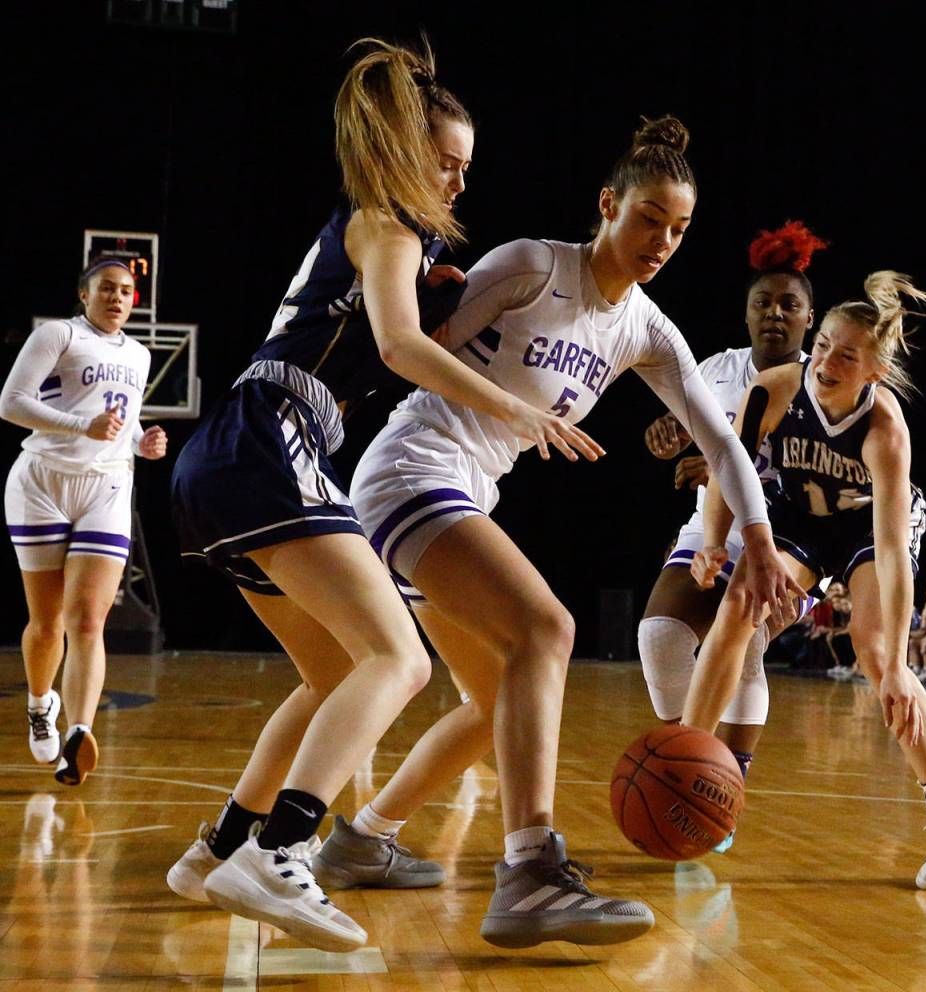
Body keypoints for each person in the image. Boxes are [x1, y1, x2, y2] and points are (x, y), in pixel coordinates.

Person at [317, 114, 801, 949]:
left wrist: (757, 539)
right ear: (608, 205)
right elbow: (415, 343)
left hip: (464, 492)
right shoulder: (536, 264)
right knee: (548, 629)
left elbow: (722, 438)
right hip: (414, 468)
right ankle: (531, 869)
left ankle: (364, 838)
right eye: (649, 217)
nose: (662, 240)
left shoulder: (644, 328)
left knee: (495, 701)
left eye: (679, 229)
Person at [165, 38, 598, 953]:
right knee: (399, 660)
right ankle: (282, 852)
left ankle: (221, 848)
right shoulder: (386, 221)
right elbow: (402, 348)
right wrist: (518, 408)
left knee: (332, 673)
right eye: (445, 161)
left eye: (467, 168)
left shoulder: (388, 240)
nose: (458, 181)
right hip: (269, 439)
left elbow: (385, 326)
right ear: (402, 150)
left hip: (238, 453)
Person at [683, 271, 926, 891]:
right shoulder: (771, 389)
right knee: (739, 605)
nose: (825, 359)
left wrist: (901, 661)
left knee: (876, 656)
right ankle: (686, 762)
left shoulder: (885, 432)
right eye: (821, 344)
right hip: (801, 516)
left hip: (872, 526)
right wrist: (714, 541)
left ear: (871, 370)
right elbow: (726, 466)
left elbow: (895, 552)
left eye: (845, 354)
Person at [637, 221, 825, 844]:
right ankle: (688, 762)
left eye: (788, 304)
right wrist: (667, 439)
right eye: (762, 303)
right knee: (661, 636)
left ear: (810, 317)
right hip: (711, 527)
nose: (775, 313)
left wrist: (724, 462)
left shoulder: (820, 385)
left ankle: (723, 785)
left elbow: (782, 470)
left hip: (786, 539)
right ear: (746, 314)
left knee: (741, 637)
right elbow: (682, 437)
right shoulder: (717, 368)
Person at [1, 258, 167, 785]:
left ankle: (79, 734)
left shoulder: (139, 354)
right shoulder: (59, 335)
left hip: (107, 485)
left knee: (89, 620)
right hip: (42, 482)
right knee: (47, 623)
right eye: (106, 289)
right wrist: (80, 425)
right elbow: (11, 402)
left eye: (126, 291)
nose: (117, 298)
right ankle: (38, 703)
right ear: (84, 293)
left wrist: (142, 441)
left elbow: (125, 418)